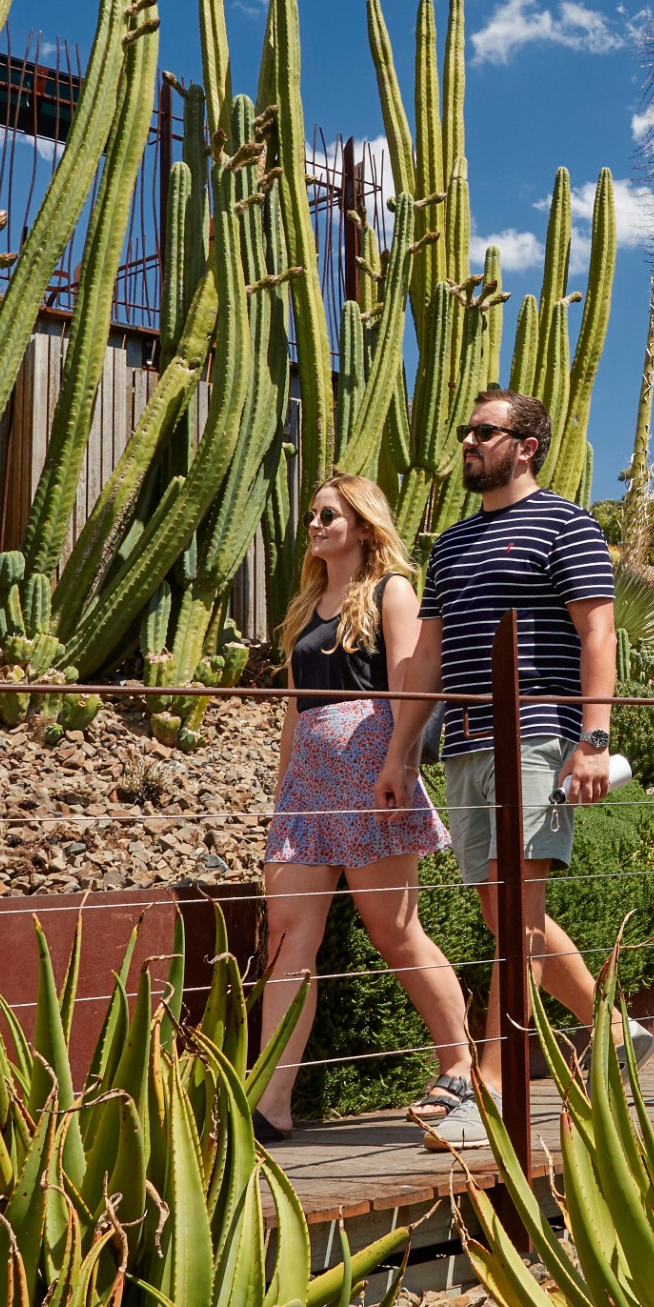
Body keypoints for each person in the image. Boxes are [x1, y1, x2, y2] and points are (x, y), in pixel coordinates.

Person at [391, 385, 653, 1150]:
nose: (468, 442)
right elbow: (430, 657)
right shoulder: (452, 545)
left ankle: (491, 1089)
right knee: (499, 910)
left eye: (484, 431)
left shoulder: (567, 524)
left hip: (537, 734)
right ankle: (611, 1029)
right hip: (467, 743)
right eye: (465, 430)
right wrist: (401, 752)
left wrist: (594, 740)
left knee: (517, 913)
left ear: (526, 445)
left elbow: (598, 635)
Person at [254, 474, 476, 1146]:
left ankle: (462, 1068)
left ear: (363, 525)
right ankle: (271, 1100)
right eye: (314, 513)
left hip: (370, 768)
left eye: (331, 514)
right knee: (286, 938)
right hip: (308, 784)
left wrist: (398, 765)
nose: (317, 523)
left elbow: (412, 682)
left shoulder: (392, 592)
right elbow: (297, 710)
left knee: (394, 930)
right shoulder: (304, 606)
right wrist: (281, 795)